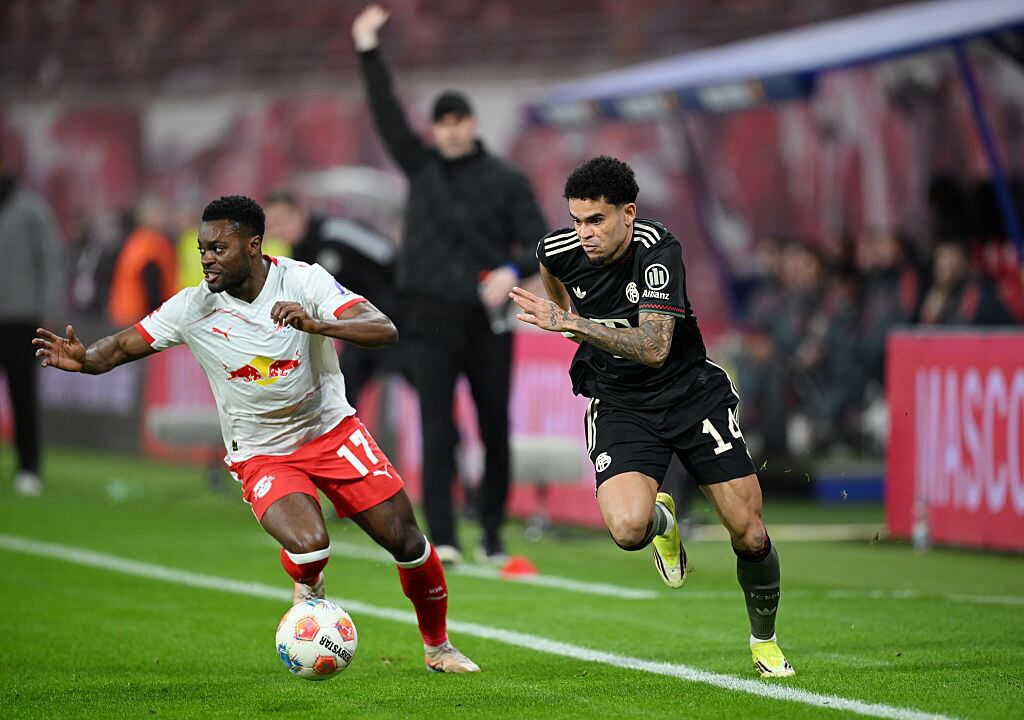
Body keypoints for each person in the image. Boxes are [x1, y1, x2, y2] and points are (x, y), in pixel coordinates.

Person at [33, 195, 479, 673]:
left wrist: (318, 323)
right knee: (311, 545)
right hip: (262, 452)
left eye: (217, 249)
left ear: (253, 246)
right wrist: (85, 359)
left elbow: (383, 328)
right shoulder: (194, 307)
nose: (206, 259)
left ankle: (438, 647)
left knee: (408, 542)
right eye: (203, 249)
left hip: (331, 431)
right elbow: (121, 347)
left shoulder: (304, 280)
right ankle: (308, 579)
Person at [510, 156, 794, 678]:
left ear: (628, 213)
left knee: (749, 532)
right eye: (576, 220)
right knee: (626, 529)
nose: (584, 233)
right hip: (620, 402)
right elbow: (550, 268)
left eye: (596, 220)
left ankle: (764, 640)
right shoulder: (559, 249)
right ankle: (663, 519)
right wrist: (568, 314)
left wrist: (571, 324)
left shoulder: (658, 251)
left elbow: (656, 348)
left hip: (690, 394)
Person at [352, 5, 548, 564]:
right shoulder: (421, 167)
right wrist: (368, 49)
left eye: (459, 119)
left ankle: (491, 532)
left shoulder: (506, 180)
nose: (451, 128)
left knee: (494, 428)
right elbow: (387, 112)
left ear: (472, 123)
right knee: (436, 429)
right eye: (442, 121)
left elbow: (541, 240)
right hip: (428, 319)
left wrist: (512, 271)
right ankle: (444, 536)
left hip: (488, 321)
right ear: (435, 128)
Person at [264, 189, 402, 407]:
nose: (279, 229)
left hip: (399, 318)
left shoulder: (336, 232)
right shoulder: (295, 258)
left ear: (301, 213)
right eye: (273, 224)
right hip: (360, 327)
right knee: (342, 392)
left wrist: (397, 305)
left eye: (283, 219)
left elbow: (388, 255)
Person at [0, 151, 65, 496]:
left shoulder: (31, 209)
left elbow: (51, 259)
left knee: (22, 395)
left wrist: (48, 309)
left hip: (21, 318)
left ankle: (28, 467)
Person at [107, 194, 177, 327]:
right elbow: (151, 283)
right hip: (141, 316)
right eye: (160, 212)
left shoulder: (136, 240)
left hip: (126, 313)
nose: (165, 216)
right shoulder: (152, 243)